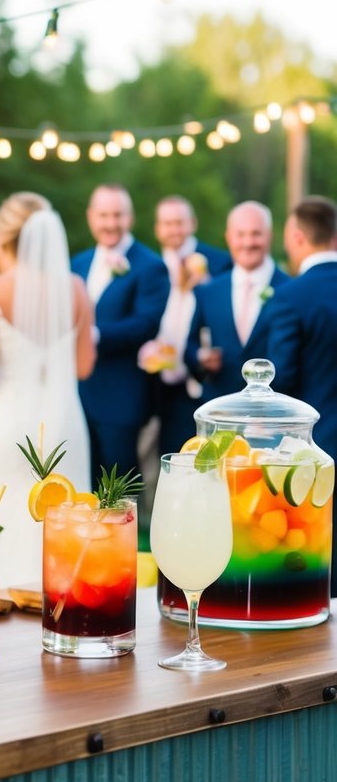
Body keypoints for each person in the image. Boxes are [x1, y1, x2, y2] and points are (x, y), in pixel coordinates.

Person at [0, 193, 95, 590]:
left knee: (5, 520)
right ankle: (63, 609)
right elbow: (84, 367)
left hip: (4, 423)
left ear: (4, 236)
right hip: (64, 422)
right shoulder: (76, 289)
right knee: (63, 522)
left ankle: (5, 606)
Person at [71, 184, 169, 485]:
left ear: (130, 217)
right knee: (81, 485)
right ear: (90, 217)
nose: (110, 223)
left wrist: (94, 335)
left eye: (118, 215)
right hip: (76, 395)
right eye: (103, 215)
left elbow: (146, 323)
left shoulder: (150, 265)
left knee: (119, 492)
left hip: (121, 397)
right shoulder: (78, 263)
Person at [267, 196, 337, 576]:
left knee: (317, 553)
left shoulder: (292, 297)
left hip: (315, 451)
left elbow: (281, 382)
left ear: (296, 237)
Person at [140, 195, 232, 453]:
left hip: (203, 375)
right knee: (164, 452)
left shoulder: (220, 262)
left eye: (179, 222)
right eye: (167, 224)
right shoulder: (149, 266)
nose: (174, 230)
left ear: (192, 223)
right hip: (159, 376)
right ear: (158, 229)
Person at [185, 201, 289, 402]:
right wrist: (200, 358)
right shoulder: (208, 291)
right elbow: (190, 344)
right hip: (219, 407)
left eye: (256, 234)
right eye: (240, 234)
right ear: (228, 237)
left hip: (274, 412)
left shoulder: (290, 288)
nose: (248, 243)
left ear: (269, 236)